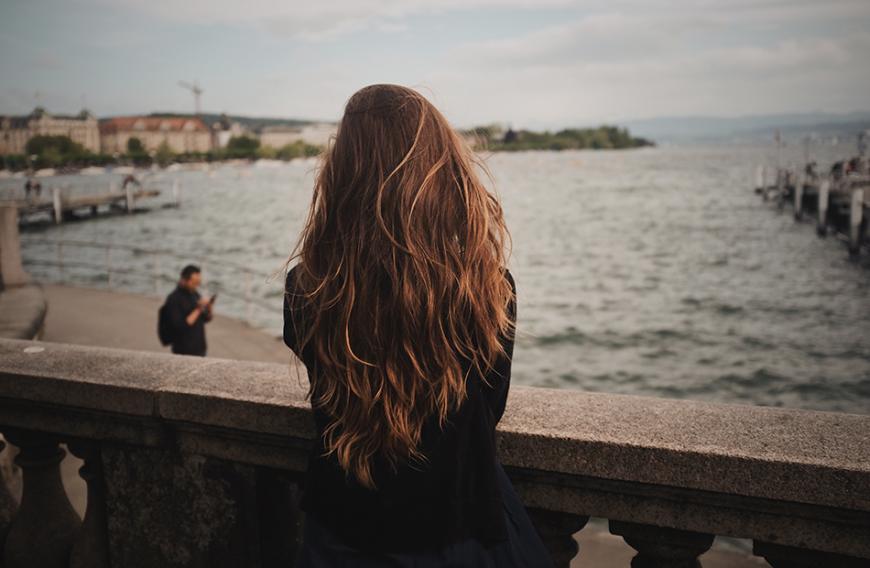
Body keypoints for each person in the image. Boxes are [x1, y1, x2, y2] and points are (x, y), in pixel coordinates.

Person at [281, 84, 553, 567]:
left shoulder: (309, 288)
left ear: (342, 172)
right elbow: (490, 408)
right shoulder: (487, 289)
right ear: (441, 167)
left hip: (341, 531)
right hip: (457, 531)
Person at [164, 264, 214, 357]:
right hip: (183, 350)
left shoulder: (194, 294)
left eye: (198, 283)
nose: (196, 286)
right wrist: (198, 309)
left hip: (200, 348)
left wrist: (209, 306)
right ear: (184, 280)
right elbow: (180, 326)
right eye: (194, 283)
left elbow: (206, 319)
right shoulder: (174, 299)